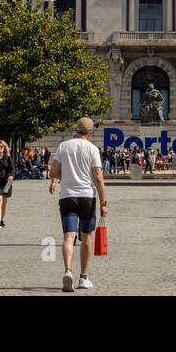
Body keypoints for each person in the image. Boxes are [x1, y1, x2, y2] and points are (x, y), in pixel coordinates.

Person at [49, 117, 108, 292]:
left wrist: (60, 177)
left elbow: (53, 171)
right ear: (91, 132)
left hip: (67, 196)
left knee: (68, 236)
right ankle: (83, 277)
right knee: (86, 236)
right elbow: (98, 177)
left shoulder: (63, 146)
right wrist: (103, 203)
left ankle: (68, 270)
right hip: (86, 197)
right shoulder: (92, 149)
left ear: (75, 129)